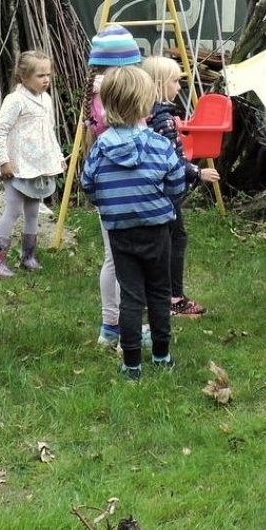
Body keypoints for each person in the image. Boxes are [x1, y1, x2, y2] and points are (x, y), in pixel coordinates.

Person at [80, 65, 187, 379]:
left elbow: (89, 185)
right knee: (158, 292)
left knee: (130, 296)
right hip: (156, 229)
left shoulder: (100, 147)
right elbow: (176, 183)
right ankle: (162, 356)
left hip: (120, 232)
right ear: (144, 104)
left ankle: (131, 365)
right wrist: (165, 202)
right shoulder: (159, 144)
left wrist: (112, 206)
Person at [83, 24, 149, 346]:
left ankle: (116, 325)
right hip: (125, 189)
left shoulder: (100, 92)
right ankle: (114, 325)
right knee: (121, 259)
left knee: (116, 257)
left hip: (110, 190)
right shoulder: (110, 95)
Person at [140, 55, 220, 317]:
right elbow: (169, 160)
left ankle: (153, 295)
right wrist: (198, 171)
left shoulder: (149, 114)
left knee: (163, 241)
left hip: (153, 191)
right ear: (161, 84)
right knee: (174, 241)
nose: (179, 87)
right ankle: (173, 298)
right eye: (175, 81)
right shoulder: (162, 119)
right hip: (166, 192)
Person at [0, 50, 64, 277]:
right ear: (23, 77)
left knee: (32, 211)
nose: (46, 79)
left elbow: (49, 131)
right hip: (16, 166)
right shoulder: (15, 100)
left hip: (37, 167)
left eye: (48, 74)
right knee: (13, 209)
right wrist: (4, 161)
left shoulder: (46, 100)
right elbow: (0, 131)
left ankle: (28, 257)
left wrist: (58, 157)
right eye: (40, 75)